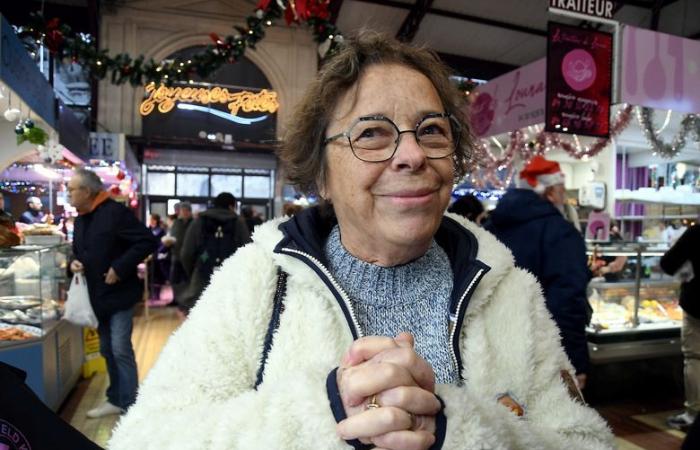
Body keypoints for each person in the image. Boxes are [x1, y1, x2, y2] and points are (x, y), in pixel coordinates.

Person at [108, 32, 613, 449]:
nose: (412, 154)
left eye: (432, 130)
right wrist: (325, 415)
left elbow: (587, 442)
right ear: (322, 175)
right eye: (372, 133)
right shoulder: (257, 284)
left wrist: (457, 429)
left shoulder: (508, 291)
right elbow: (144, 438)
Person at [485, 155, 592, 388]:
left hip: (492, 347)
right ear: (551, 192)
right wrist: (575, 361)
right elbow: (567, 300)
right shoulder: (561, 233)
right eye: (562, 190)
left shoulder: (491, 227)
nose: (563, 197)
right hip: (543, 353)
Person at [67, 168, 157, 418]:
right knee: (107, 349)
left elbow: (147, 241)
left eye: (72, 189)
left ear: (86, 191)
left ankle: (130, 404)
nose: (68, 194)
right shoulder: (81, 218)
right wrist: (73, 263)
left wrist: (119, 267)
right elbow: (79, 252)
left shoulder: (115, 213)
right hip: (96, 297)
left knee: (119, 348)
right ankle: (116, 398)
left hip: (120, 294)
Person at [179, 192, 250, 312]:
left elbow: (186, 252)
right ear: (231, 206)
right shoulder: (238, 222)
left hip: (203, 269)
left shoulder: (199, 221)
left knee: (201, 314)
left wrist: (194, 270)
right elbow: (248, 250)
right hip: (231, 275)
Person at [660, 224, 700, 430]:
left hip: (697, 307)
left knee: (695, 358)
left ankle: (694, 414)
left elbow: (668, 263)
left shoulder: (696, 233)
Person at [166, 202, 193, 308]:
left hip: (189, 257)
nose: (182, 213)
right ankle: (175, 299)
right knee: (174, 279)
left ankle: (187, 300)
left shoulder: (194, 223)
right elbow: (172, 236)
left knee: (188, 279)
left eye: (185, 211)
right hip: (176, 255)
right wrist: (168, 242)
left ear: (189, 212)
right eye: (181, 211)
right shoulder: (176, 223)